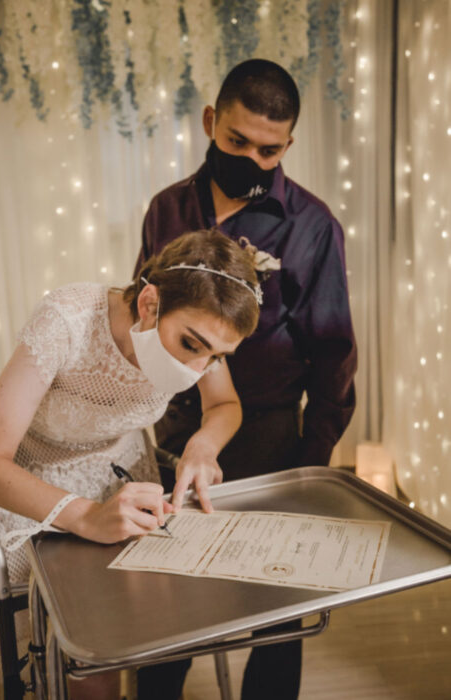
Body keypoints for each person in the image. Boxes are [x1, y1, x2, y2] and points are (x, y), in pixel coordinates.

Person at [136, 59, 358, 700]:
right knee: (163, 606)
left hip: (269, 438)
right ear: (212, 122)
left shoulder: (314, 227)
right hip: (176, 428)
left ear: (288, 145)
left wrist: (308, 470)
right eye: (236, 142)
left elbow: (334, 355)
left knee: (273, 616)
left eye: (270, 149)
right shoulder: (167, 209)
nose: (253, 159)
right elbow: (145, 312)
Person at [0, 228, 261, 700]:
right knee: (83, 636)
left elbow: (225, 406)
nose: (197, 371)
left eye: (216, 357)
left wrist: (203, 446)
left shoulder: (203, 337)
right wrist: (85, 516)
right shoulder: (66, 320)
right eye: (191, 346)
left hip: (119, 470)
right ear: (150, 303)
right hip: (24, 475)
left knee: (144, 611)